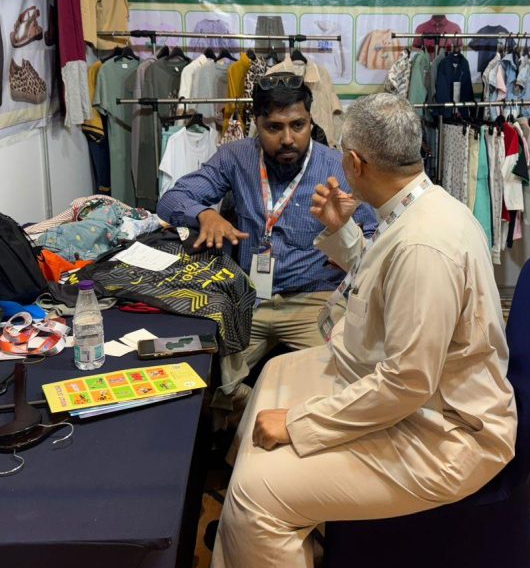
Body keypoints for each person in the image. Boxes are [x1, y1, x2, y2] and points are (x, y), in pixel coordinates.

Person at [203, 93, 518, 568]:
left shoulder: (424, 244)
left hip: (444, 436)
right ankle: (267, 549)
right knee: (277, 372)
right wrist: (341, 230)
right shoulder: (419, 204)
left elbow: (407, 383)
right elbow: (384, 278)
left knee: (258, 495)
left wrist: (301, 424)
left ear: (354, 162)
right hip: (417, 399)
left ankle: (259, 528)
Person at [156, 76, 377, 413]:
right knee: (197, 378)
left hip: (314, 299)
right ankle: (247, 406)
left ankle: (272, 414)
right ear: (256, 123)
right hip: (248, 299)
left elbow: (376, 233)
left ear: (311, 120)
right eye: (274, 127)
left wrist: (345, 238)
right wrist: (204, 214)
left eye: (298, 125)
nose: (288, 138)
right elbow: (171, 199)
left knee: (347, 379)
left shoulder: (338, 167)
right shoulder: (236, 157)